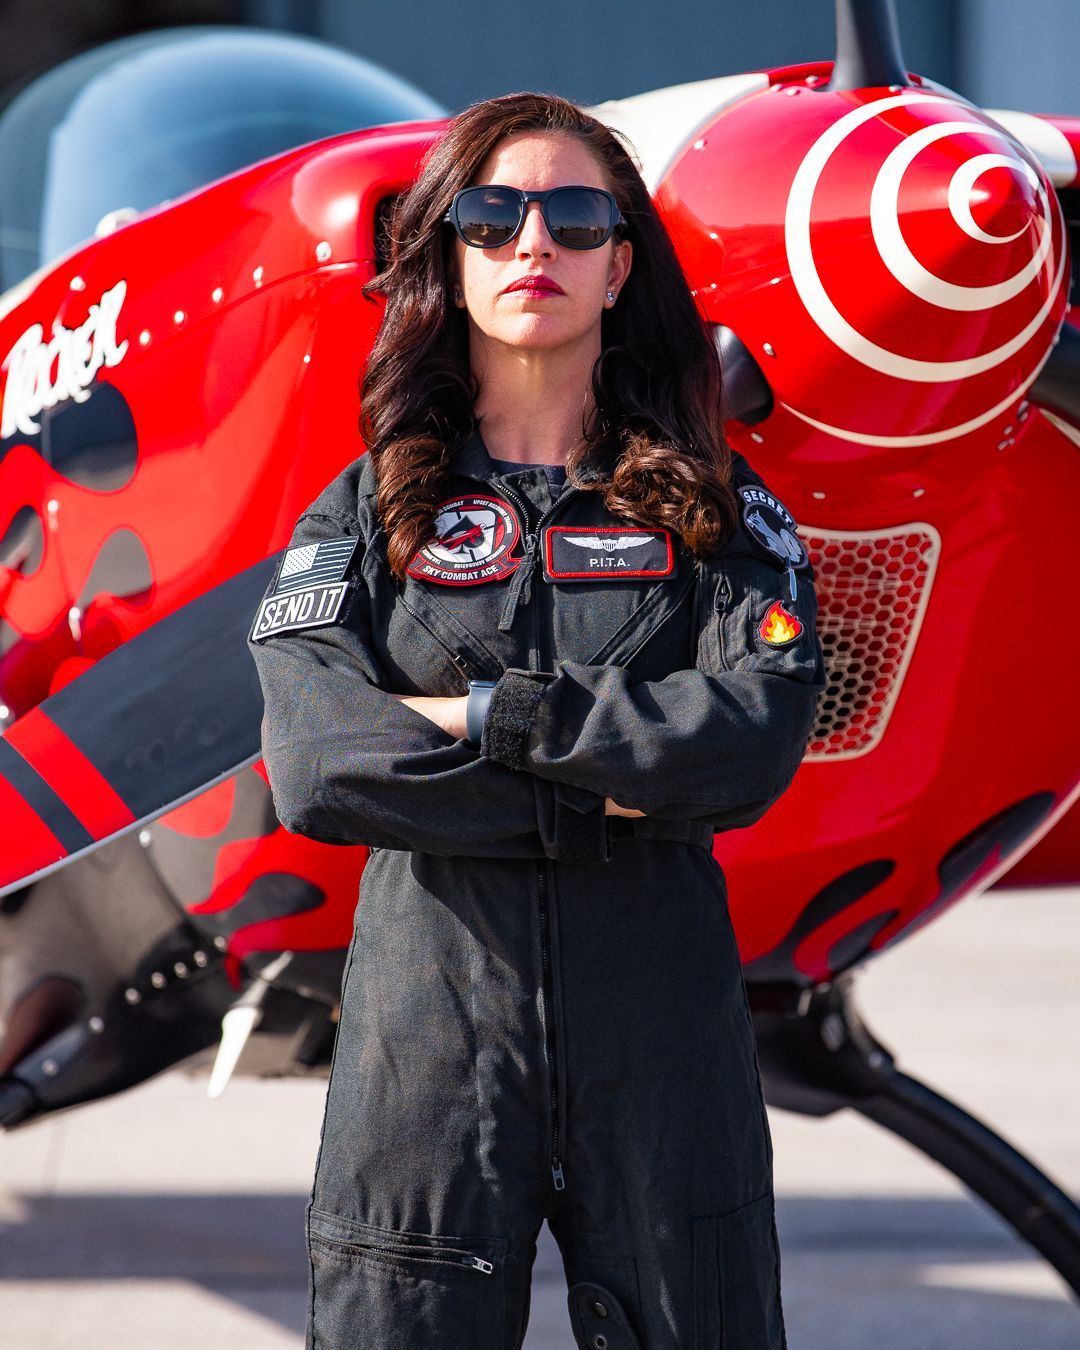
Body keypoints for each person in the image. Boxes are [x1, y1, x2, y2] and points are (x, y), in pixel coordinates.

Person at [248, 90, 825, 1350]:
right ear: (449, 261)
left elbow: (754, 737)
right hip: (427, 1053)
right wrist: (624, 771)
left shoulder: (720, 513)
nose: (533, 246)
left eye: (573, 216)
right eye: (491, 215)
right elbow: (318, 765)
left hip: (664, 1047)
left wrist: (476, 715)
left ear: (621, 265)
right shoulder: (364, 513)